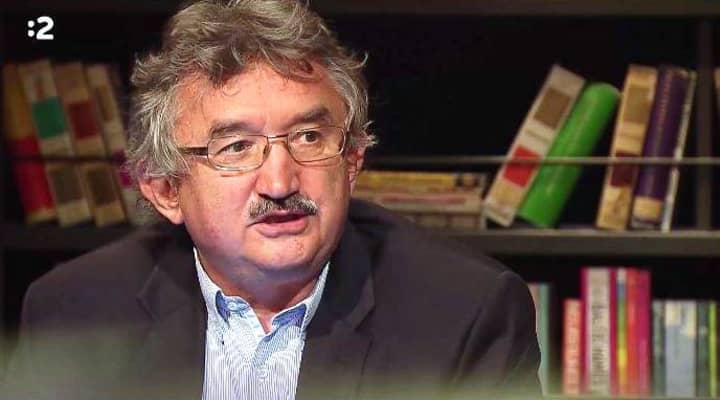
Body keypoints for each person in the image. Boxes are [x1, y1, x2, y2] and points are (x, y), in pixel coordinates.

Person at [4, 1, 541, 399]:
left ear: (352, 159)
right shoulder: (72, 312)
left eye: (309, 138)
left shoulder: (466, 314)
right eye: (236, 147)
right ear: (164, 188)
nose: (280, 182)